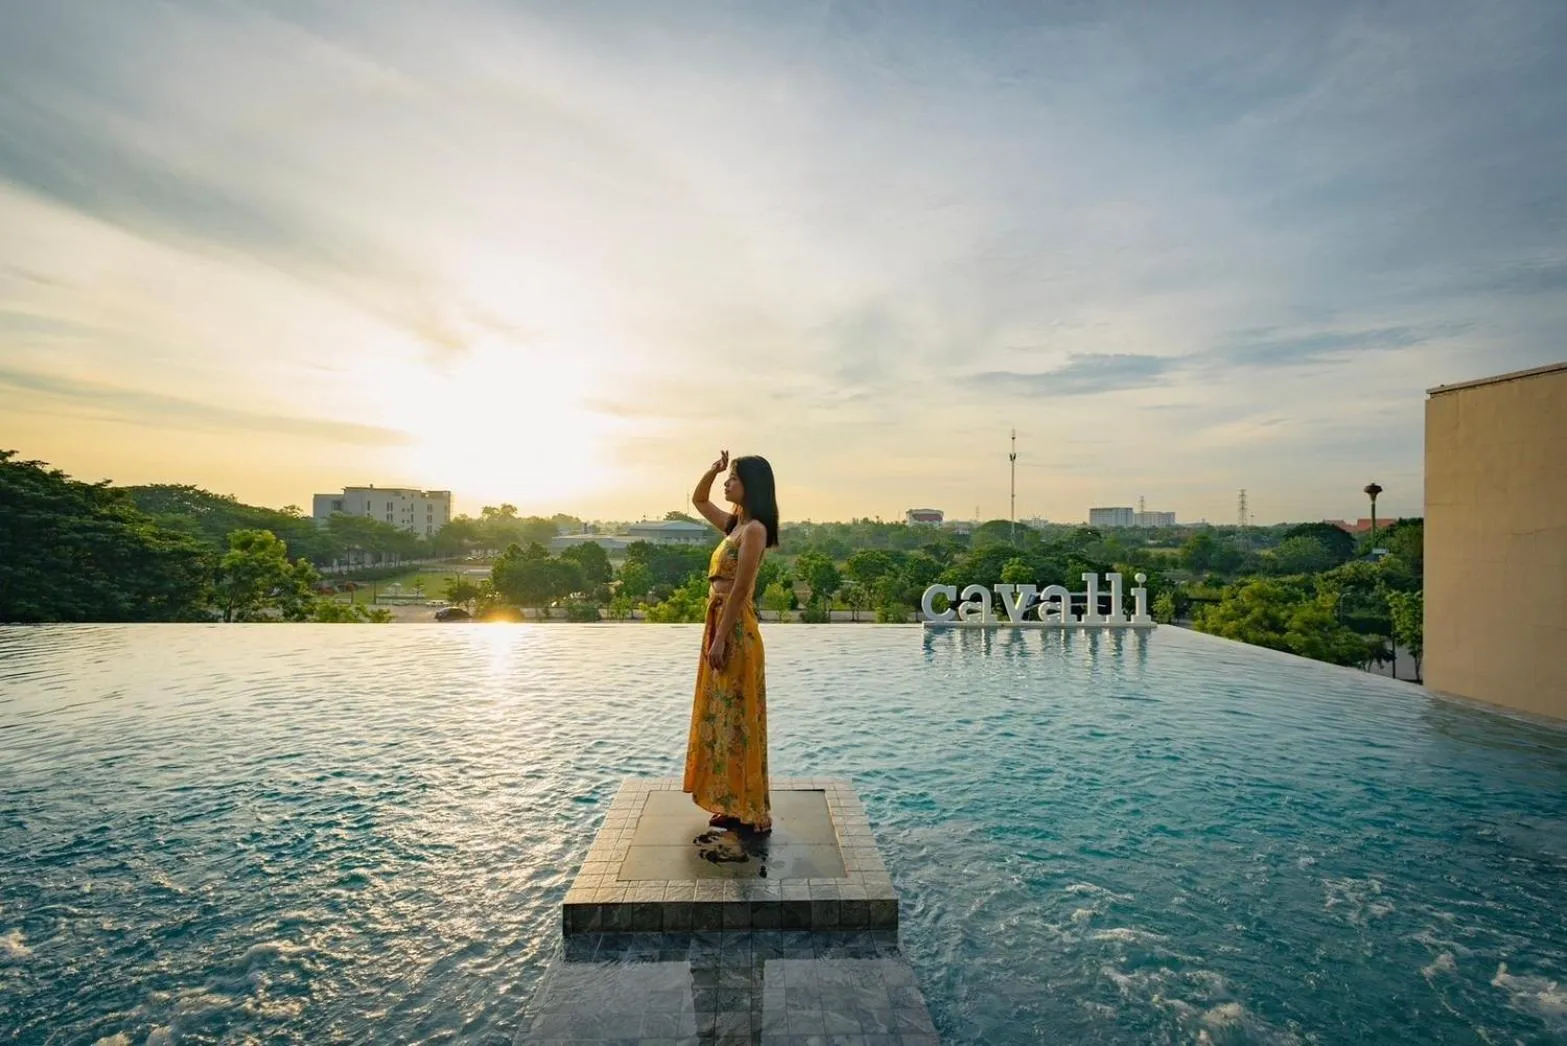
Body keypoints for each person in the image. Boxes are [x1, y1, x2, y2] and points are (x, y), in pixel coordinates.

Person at [683, 450, 779, 835]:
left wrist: (721, 638)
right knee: (721, 717)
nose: (727, 484)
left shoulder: (755, 530)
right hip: (718, 623)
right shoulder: (734, 525)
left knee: (741, 719)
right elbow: (699, 501)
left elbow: (740, 590)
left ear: (751, 486)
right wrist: (712, 470)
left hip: (735, 629)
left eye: (733, 478)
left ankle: (752, 807)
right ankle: (730, 801)